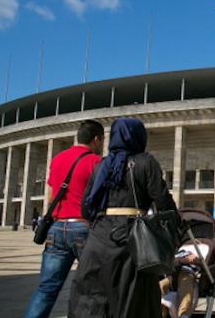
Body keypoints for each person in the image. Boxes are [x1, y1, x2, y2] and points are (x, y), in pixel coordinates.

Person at [69, 118, 178, 318]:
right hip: (132, 239)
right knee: (134, 295)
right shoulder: (145, 161)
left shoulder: (101, 166)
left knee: (95, 293)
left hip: (99, 237)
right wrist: (174, 227)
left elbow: (86, 207)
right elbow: (162, 200)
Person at [24, 120, 104, 318]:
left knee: (47, 288)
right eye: (102, 140)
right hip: (83, 228)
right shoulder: (95, 162)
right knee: (95, 287)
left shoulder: (58, 159)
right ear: (96, 139)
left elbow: (51, 195)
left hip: (57, 228)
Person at [159, 248, 203, 318]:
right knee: (160, 286)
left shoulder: (186, 252)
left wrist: (183, 260)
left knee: (186, 287)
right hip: (170, 275)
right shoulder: (167, 254)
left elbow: (197, 260)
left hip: (186, 273)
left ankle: (184, 314)